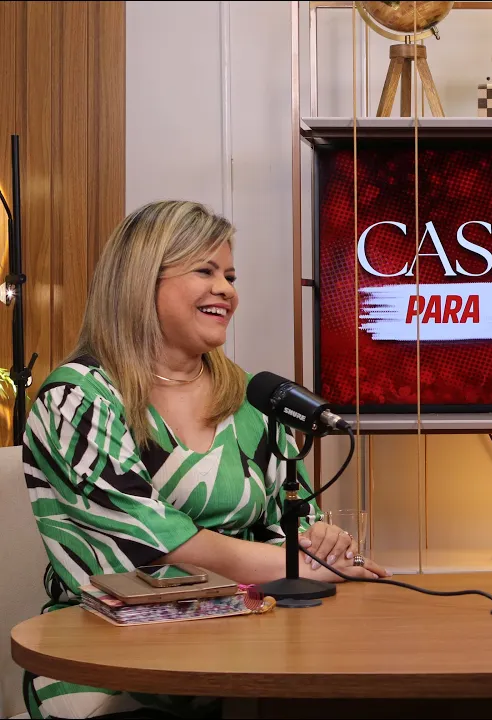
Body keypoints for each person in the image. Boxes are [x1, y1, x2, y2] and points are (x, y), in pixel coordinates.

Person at [22, 201, 390, 719]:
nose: (227, 290)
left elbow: (295, 524)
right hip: (111, 663)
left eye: (230, 277)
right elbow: (153, 547)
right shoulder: (77, 400)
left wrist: (319, 543)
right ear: (141, 280)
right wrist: (307, 565)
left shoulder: (251, 398)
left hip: (249, 645)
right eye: (205, 271)